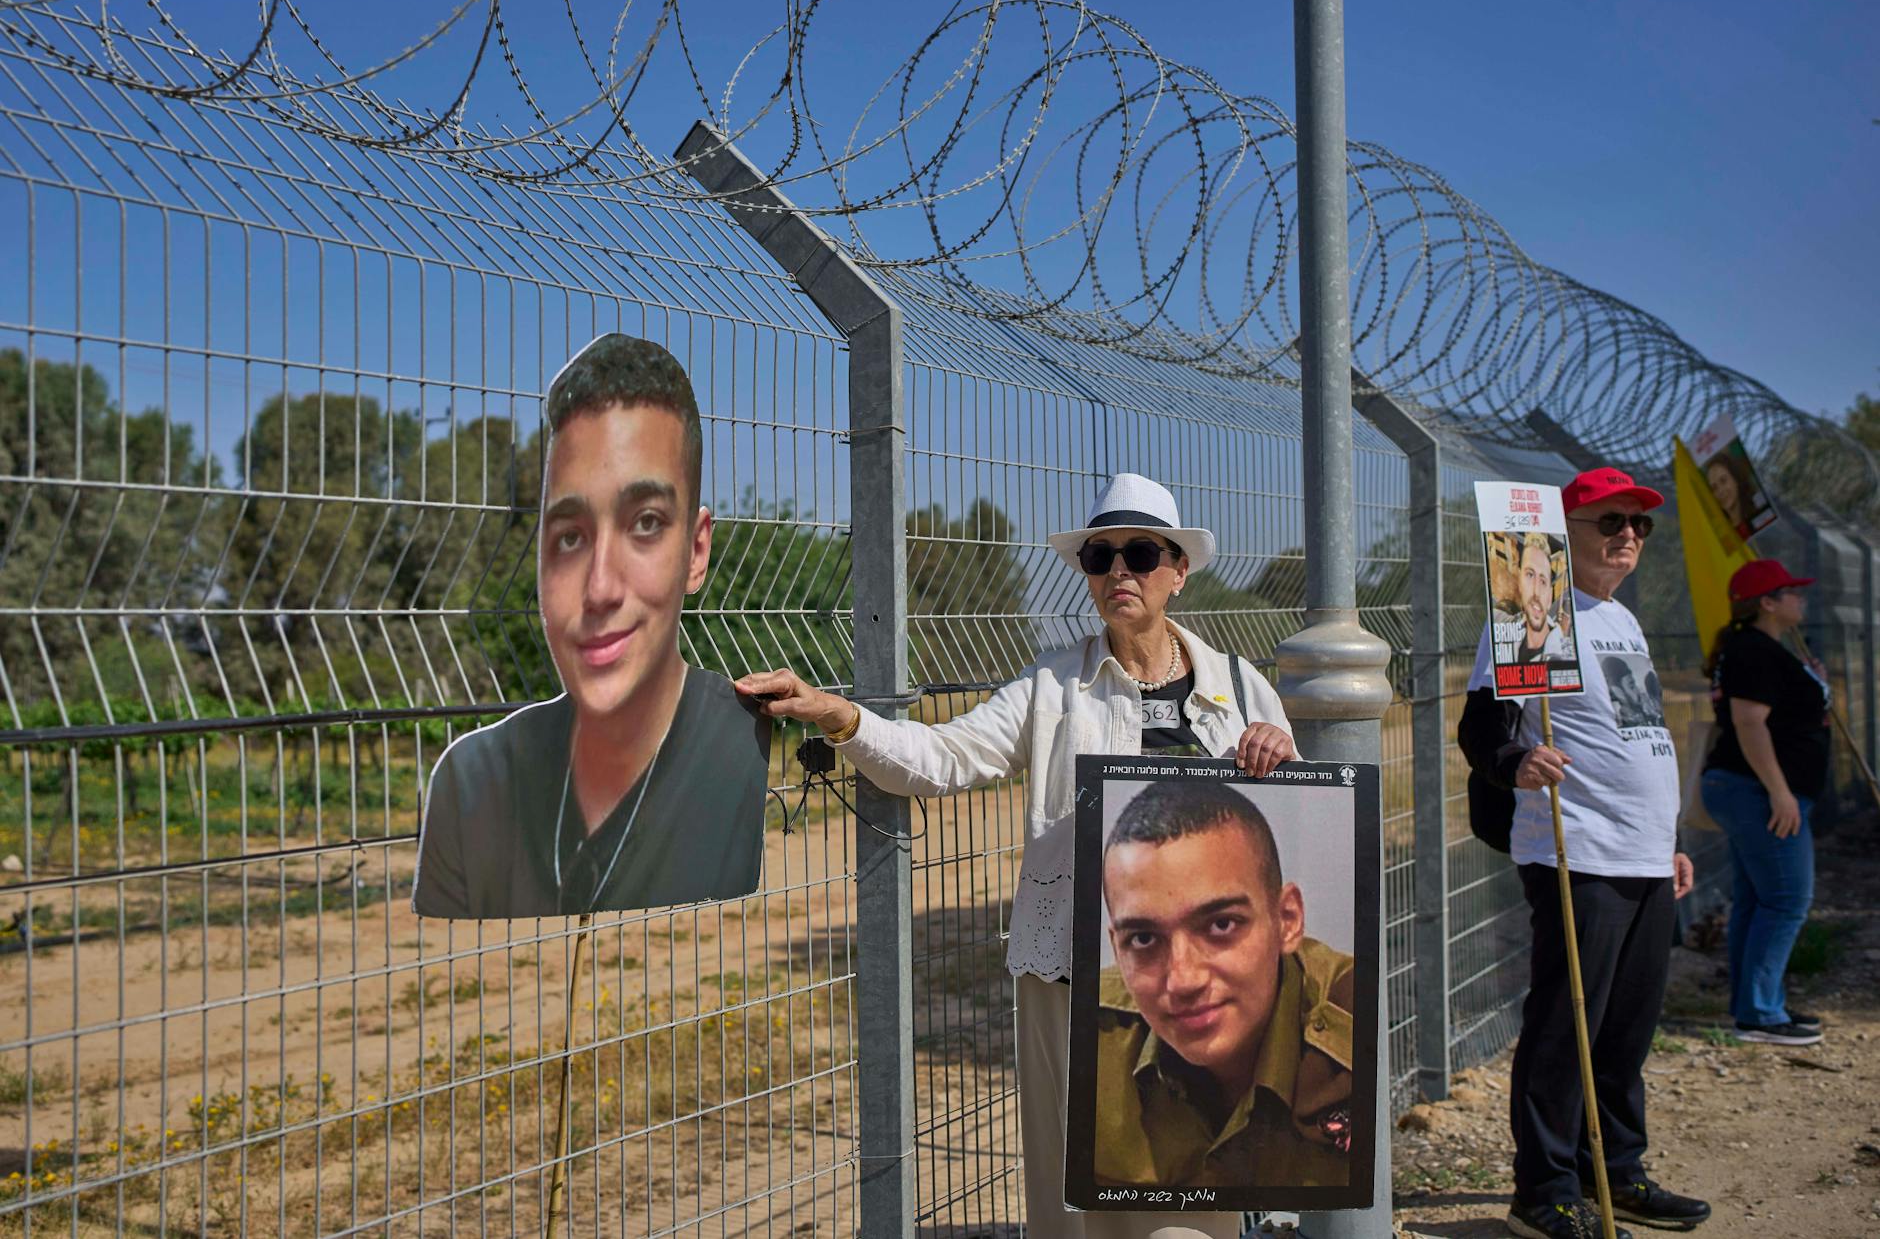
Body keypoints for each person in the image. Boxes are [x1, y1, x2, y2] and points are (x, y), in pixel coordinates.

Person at [736, 472, 1297, 1239]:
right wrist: (841, 716)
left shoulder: (1243, 689)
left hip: (1200, 983)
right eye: (1100, 558)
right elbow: (940, 757)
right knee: (1077, 1201)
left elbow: (1291, 823)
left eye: (1138, 553)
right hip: (1075, 978)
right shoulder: (1053, 686)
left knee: (1199, 1196)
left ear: (1178, 571)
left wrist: (1280, 758)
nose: (1119, 573)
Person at [411, 334, 771, 919]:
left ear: (697, 552)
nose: (600, 588)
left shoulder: (732, 752)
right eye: (571, 537)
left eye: (646, 523)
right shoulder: (473, 787)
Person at [1457, 467, 1709, 1239]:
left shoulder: (1621, 621)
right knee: (1568, 1024)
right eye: (1611, 522)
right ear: (1566, 534)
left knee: (1626, 1030)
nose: (1629, 535)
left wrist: (1665, 842)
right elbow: (1481, 727)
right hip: (1578, 850)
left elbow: (1639, 733)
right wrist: (1514, 764)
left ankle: (1619, 1171)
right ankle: (1544, 1189)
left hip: (1641, 857)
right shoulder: (1536, 611)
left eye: (1640, 525)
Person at [1092, 780, 1353, 1189]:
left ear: (1287, 921)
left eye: (1221, 925)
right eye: (1143, 939)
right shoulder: (1095, 1041)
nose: (1183, 979)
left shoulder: (1352, 1027)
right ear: (1117, 946)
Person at [1699, 558, 1829, 1047]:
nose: (1801, 597)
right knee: (1788, 900)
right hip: (1757, 792)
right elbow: (1750, 724)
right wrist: (1779, 791)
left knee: (1759, 899)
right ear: (1766, 603)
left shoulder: (1768, 649)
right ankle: (1759, 1013)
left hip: (1753, 790)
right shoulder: (1754, 650)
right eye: (1790, 591)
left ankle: (1755, 1004)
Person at [1498, 533, 1570, 663]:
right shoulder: (1505, 631)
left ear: (1549, 596)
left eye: (1543, 581)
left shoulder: (1565, 653)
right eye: (1530, 575)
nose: (1536, 592)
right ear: (1519, 581)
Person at [1703, 453, 1749, 536]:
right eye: (1714, 488)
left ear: (1735, 478)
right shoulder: (1720, 535)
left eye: (1723, 480)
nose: (1720, 491)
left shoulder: (1761, 515)